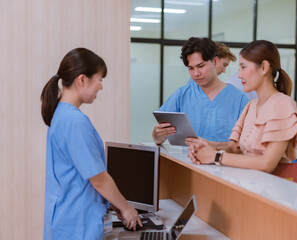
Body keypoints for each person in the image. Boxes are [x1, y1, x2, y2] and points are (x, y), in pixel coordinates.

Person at [41, 48, 141, 239]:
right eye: (100, 79)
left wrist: (114, 204)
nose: (101, 86)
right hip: (78, 223)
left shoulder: (60, 114)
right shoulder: (75, 122)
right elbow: (98, 180)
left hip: (65, 218)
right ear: (82, 80)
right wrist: (126, 208)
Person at [186, 40, 297, 173]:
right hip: (247, 184)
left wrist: (216, 156)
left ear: (264, 67)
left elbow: (266, 163)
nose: (239, 75)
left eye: (243, 67)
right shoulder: (251, 105)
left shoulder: (283, 105)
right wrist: (208, 146)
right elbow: (236, 149)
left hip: (270, 189)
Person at [152, 37, 249, 144]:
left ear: (215, 61)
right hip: (186, 160)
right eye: (191, 68)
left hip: (223, 160)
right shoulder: (182, 94)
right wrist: (158, 135)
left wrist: (211, 146)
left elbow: (245, 145)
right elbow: (158, 138)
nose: (196, 73)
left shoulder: (239, 99)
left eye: (201, 66)